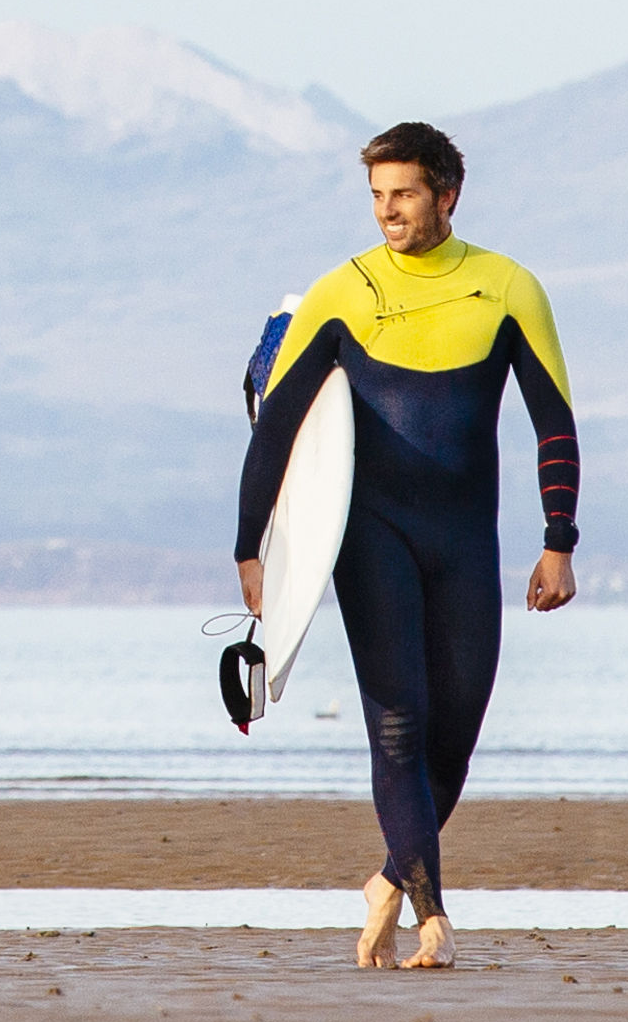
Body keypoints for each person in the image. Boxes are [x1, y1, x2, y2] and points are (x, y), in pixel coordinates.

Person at [234, 120, 580, 969]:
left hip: (466, 538)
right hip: (372, 536)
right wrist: (250, 547)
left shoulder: (507, 289)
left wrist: (558, 541)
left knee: (453, 735)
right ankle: (433, 916)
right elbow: (277, 424)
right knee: (398, 729)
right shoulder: (342, 291)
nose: (388, 211)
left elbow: (553, 422)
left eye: (404, 194)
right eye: (378, 196)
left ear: (446, 195)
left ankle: (389, 878)